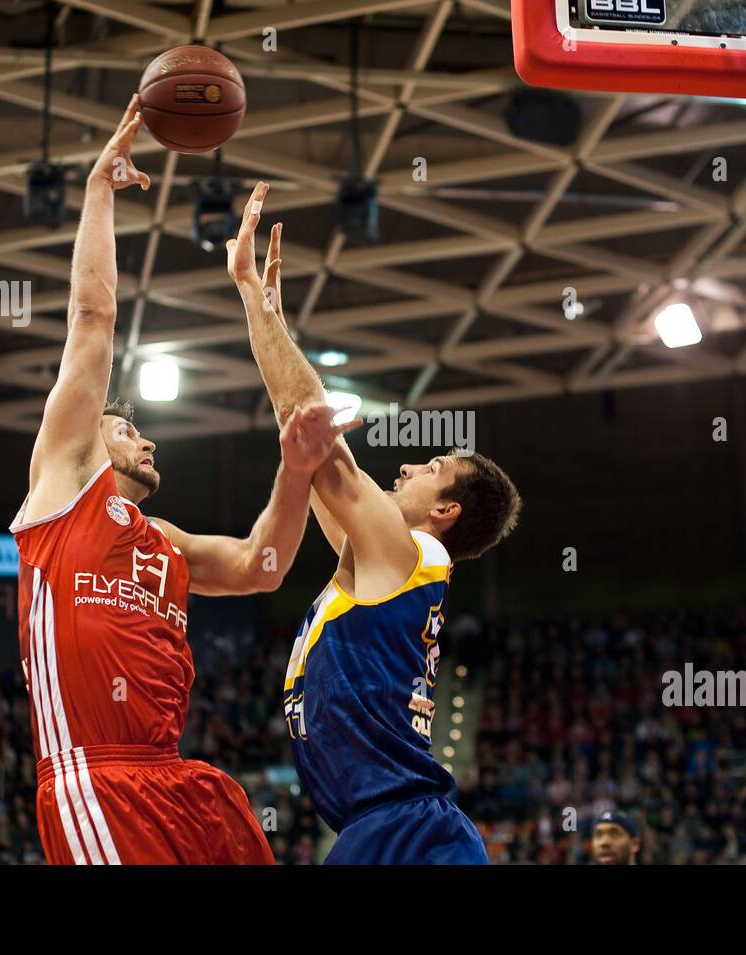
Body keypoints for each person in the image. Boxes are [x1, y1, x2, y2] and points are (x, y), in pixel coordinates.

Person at [8, 97, 351, 865]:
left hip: (176, 776)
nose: (146, 435)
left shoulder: (163, 542)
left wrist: (295, 473)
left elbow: (264, 565)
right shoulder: (63, 489)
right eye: (126, 428)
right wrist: (99, 192)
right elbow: (93, 319)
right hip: (94, 780)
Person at [226, 182, 522, 864]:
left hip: (405, 830)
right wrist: (261, 312)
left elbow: (321, 451)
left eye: (432, 468)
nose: (411, 464)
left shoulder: (412, 553)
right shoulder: (375, 566)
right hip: (381, 829)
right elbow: (313, 451)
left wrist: (254, 297)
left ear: (444, 512)